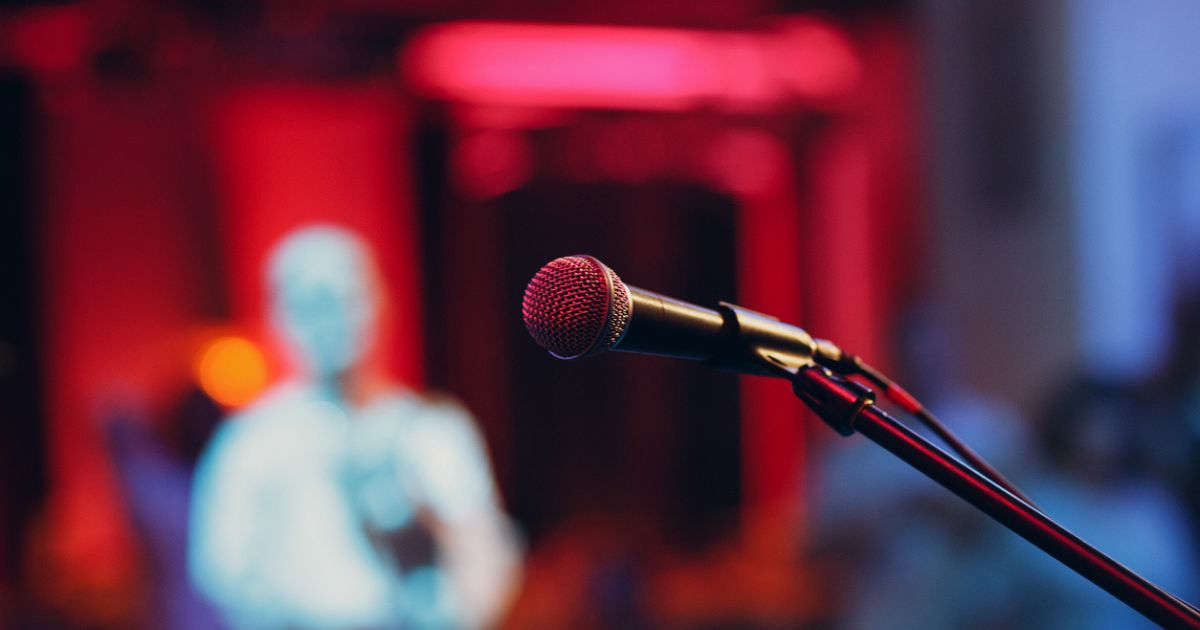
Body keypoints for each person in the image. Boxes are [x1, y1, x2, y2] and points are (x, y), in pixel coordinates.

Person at [189, 225, 521, 630]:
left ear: (383, 301)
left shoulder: (435, 431)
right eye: (310, 302)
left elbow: (487, 557)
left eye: (345, 297)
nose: (329, 320)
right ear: (278, 316)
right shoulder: (249, 444)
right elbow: (223, 572)